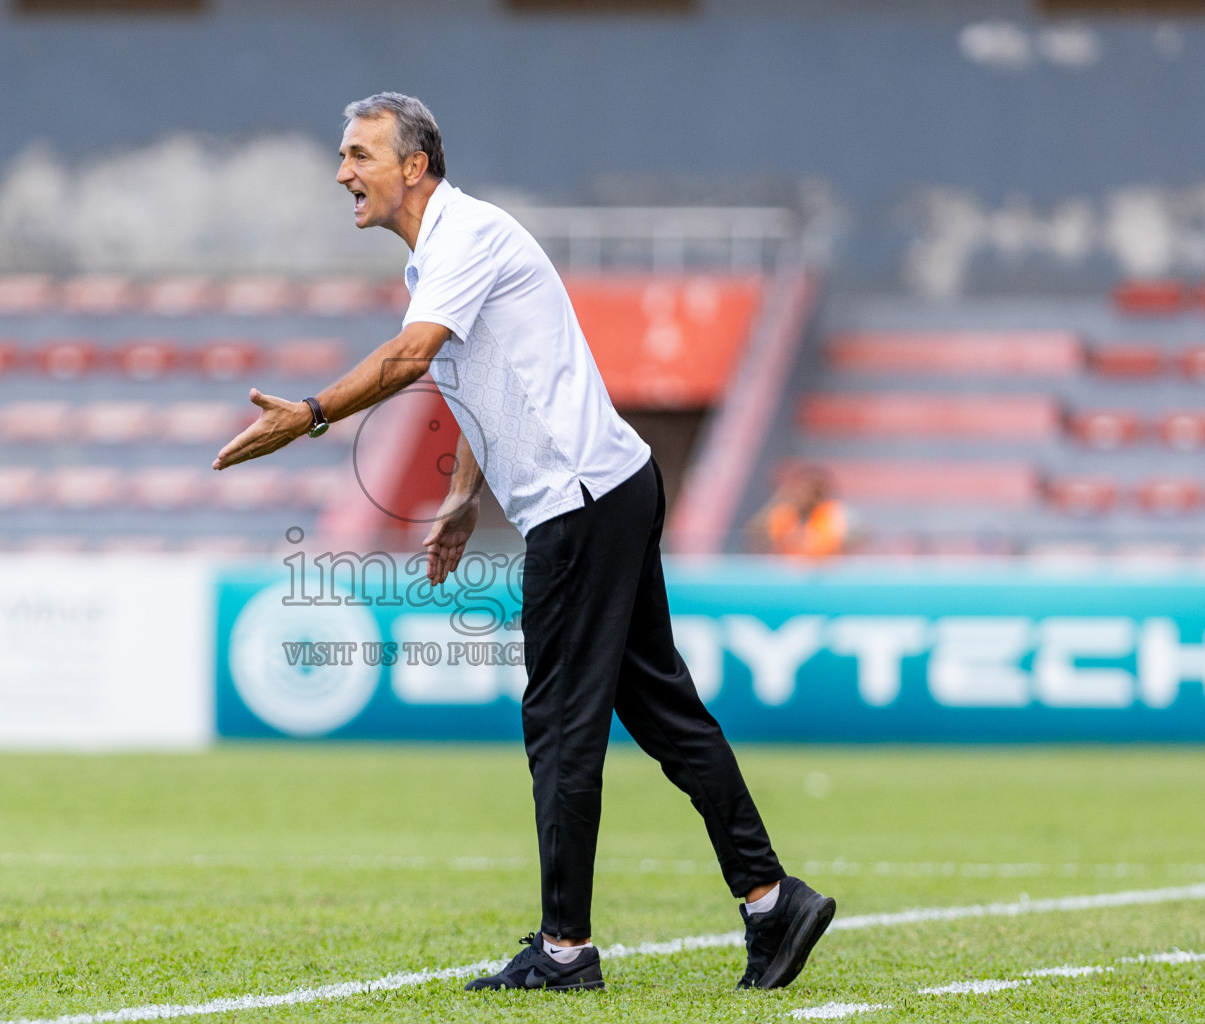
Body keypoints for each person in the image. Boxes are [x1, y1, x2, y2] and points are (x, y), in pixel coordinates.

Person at [213, 91, 834, 993]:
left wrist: (308, 415)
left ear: (414, 164)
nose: (342, 171)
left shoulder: (463, 241)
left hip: (580, 503)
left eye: (358, 154)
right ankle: (772, 901)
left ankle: (566, 949)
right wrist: (465, 497)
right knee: (660, 711)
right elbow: (479, 381)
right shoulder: (436, 261)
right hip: (607, 488)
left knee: (560, 722)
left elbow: (413, 359)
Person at [746, 465, 854, 560]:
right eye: (799, 489)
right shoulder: (784, 513)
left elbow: (843, 547)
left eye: (810, 490)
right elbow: (757, 539)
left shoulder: (834, 513)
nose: (803, 495)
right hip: (787, 576)